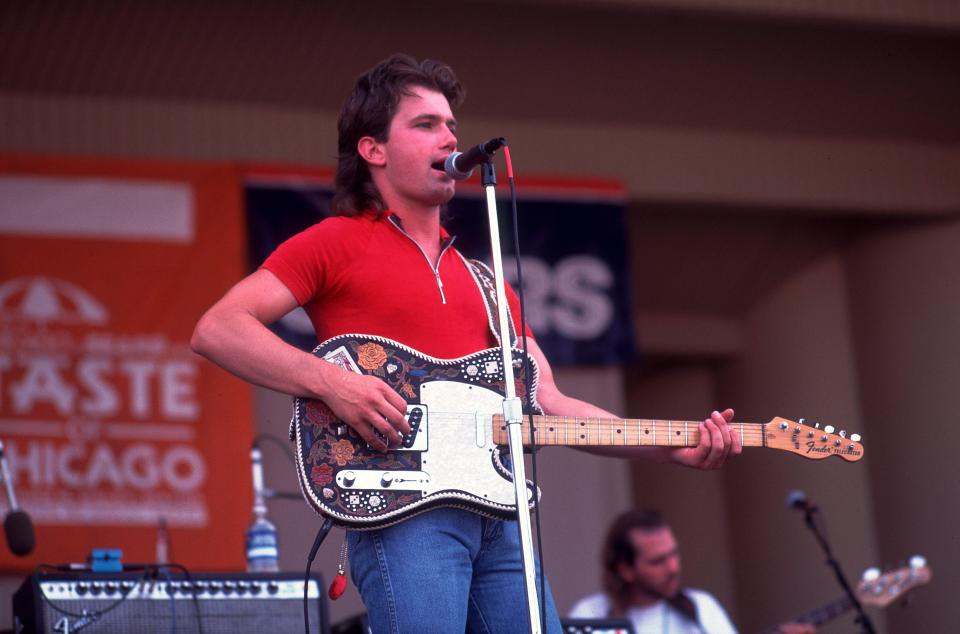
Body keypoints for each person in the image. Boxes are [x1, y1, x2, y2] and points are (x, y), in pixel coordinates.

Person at [191, 53, 742, 634]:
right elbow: (219, 328)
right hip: (403, 513)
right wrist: (335, 383)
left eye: (451, 125)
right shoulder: (333, 243)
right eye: (425, 124)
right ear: (372, 149)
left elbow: (548, 403)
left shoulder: (487, 280)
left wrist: (670, 445)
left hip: (500, 517)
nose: (449, 136)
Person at [570, 509, 814, 634]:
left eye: (674, 554)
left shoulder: (700, 606)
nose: (673, 568)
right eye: (658, 561)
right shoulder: (588, 614)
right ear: (625, 569)